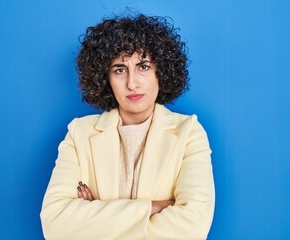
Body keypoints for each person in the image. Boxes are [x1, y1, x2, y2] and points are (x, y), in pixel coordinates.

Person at [40, 14, 215, 240]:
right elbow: (55, 225)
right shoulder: (79, 133)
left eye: (143, 66)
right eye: (120, 70)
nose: (132, 83)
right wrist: (152, 207)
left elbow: (192, 228)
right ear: (105, 78)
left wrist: (97, 220)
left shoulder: (189, 132)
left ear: (160, 71)